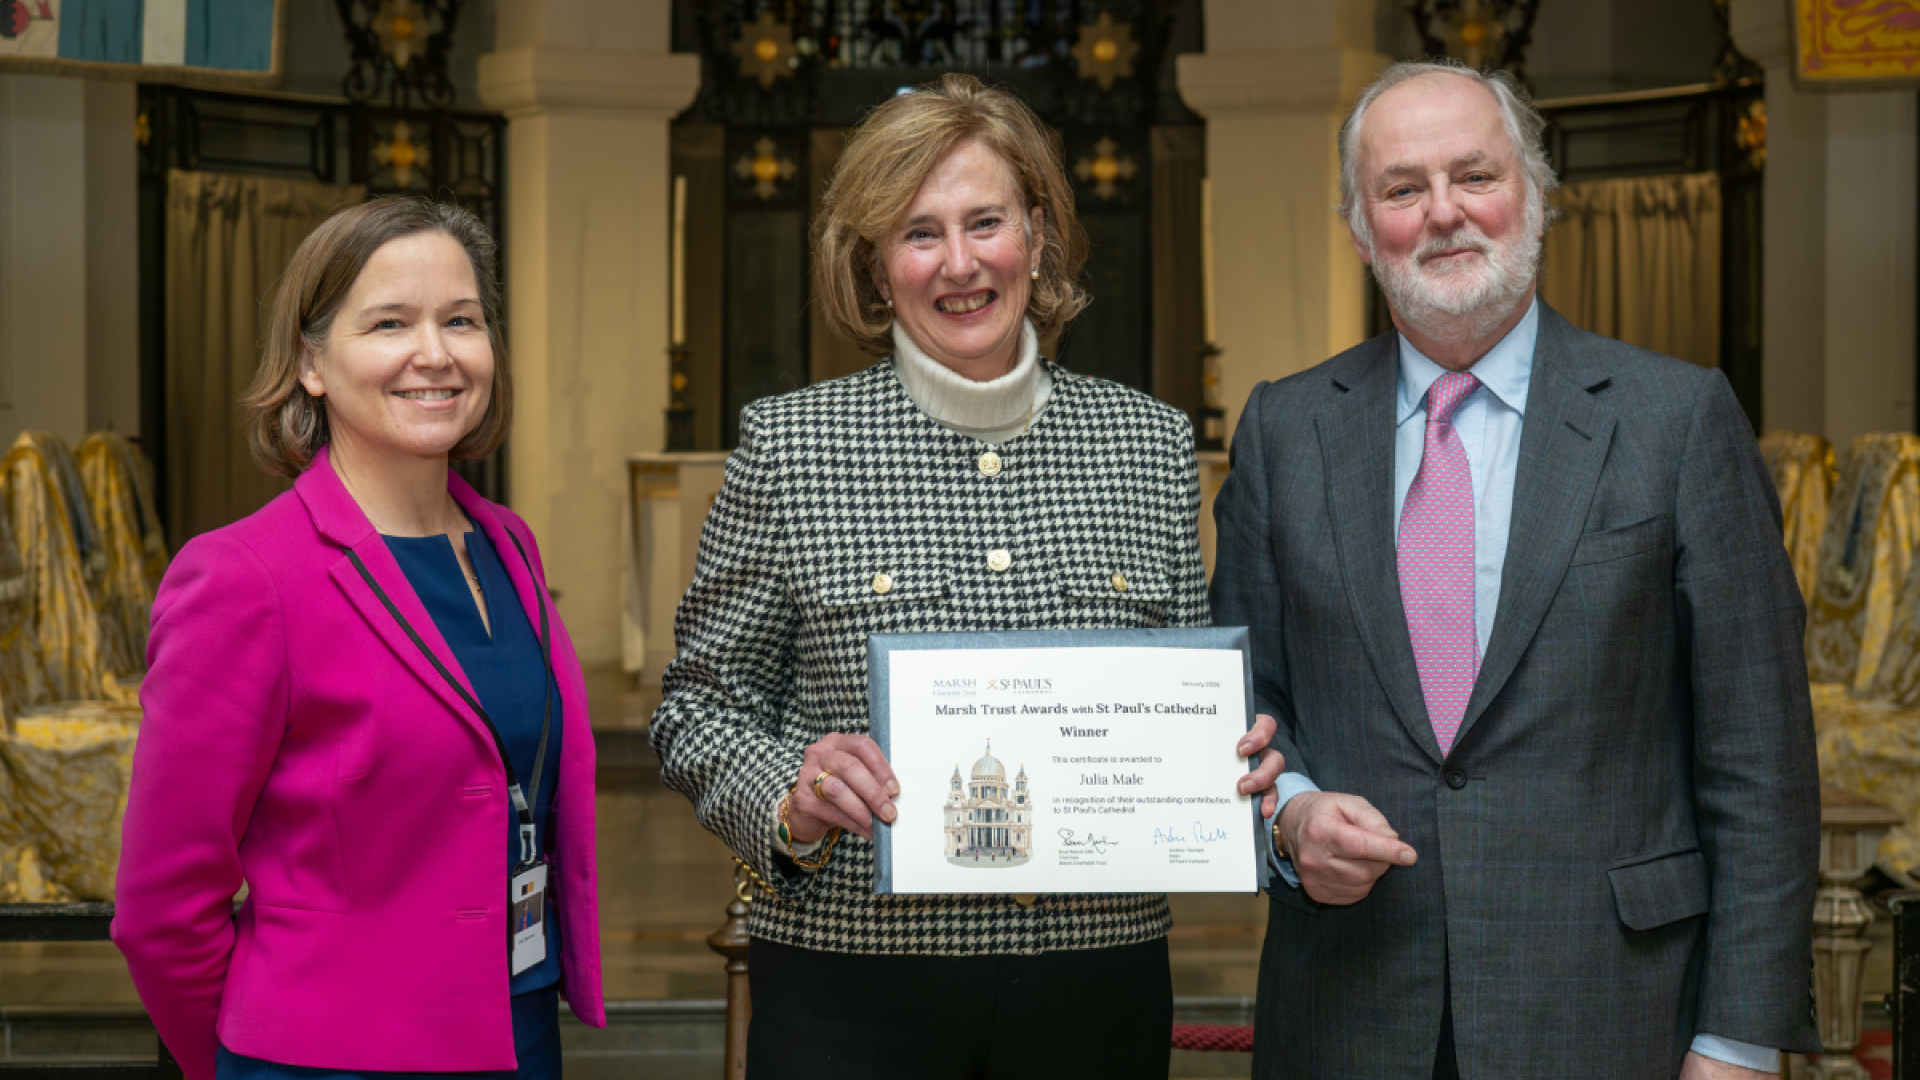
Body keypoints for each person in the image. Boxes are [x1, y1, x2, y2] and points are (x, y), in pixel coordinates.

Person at [650, 72, 1283, 1080]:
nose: (958, 264)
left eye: (984, 221)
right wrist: (792, 790)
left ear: (1036, 232)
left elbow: (1188, 696)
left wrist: (1231, 746)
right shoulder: (791, 446)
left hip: (1098, 982)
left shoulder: (1148, 444)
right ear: (874, 263)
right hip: (850, 986)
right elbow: (697, 710)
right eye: (916, 232)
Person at [1210, 60, 1820, 1080]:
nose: (1444, 213)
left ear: (1534, 197)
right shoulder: (1284, 429)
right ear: (1362, 230)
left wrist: (1739, 1039)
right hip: (1350, 1011)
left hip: (1613, 1008)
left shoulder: (1678, 421)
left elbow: (1759, 757)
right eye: (1403, 189)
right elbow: (1244, 702)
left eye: (1475, 176)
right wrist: (1293, 816)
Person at [112, 196, 604, 1080]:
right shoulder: (243, 578)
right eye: (389, 323)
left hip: (519, 1032)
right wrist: (240, 1063)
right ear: (311, 362)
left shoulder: (507, 545)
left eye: (461, 320)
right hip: (330, 1056)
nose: (436, 353)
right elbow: (160, 907)